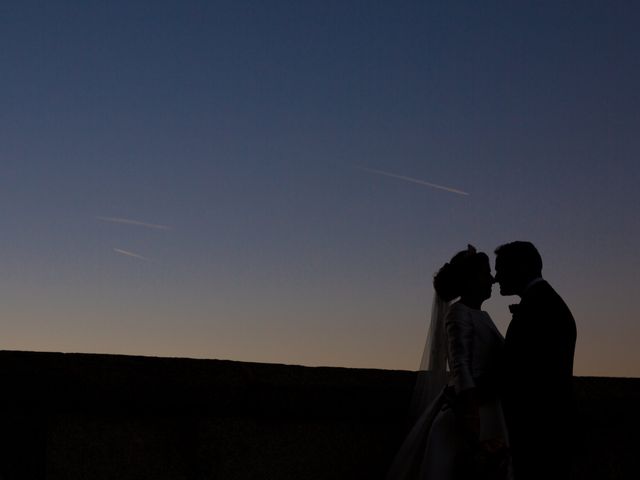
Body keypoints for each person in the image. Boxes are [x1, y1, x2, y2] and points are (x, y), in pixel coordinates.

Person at [387, 245, 511, 480]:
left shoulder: (482, 315)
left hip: (487, 406)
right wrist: (471, 413)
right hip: (470, 408)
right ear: (472, 280)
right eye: (486, 274)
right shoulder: (458, 313)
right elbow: (460, 364)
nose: (492, 279)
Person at [494, 241, 576, 480]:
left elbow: (527, 373)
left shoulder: (540, 306)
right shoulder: (544, 301)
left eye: (500, 269)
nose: (496, 278)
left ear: (521, 267)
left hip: (540, 432)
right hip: (545, 430)